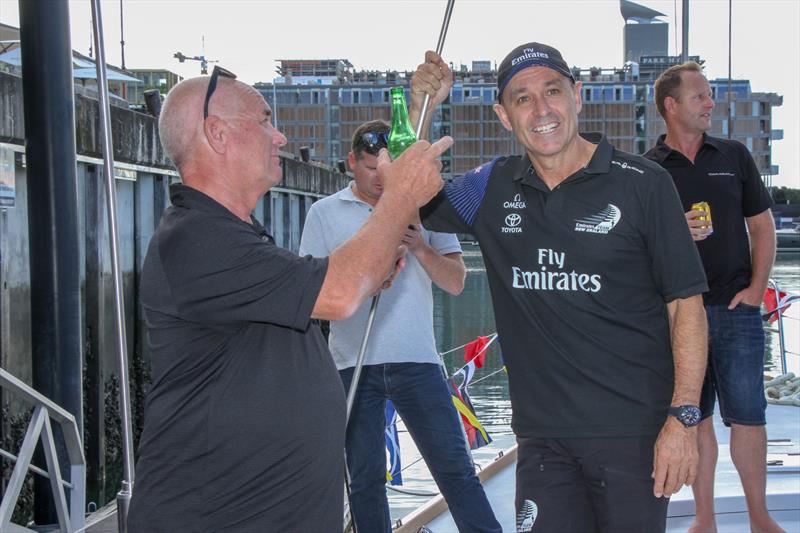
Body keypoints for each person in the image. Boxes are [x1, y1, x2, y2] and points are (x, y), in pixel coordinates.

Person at [127, 68, 453, 532]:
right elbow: (339, 291)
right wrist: (399, 196)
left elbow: (331, 286)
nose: (279, 137)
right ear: (217, 134)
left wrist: (371, 271)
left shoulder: (235, 237)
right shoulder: (196, 238)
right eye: (264, 120)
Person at [411, 43, 710, 532]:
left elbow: (686, 306)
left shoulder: (643, 183)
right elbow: (410, 196)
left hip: (633, 435)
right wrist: (423, 109)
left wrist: (683, 419)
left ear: (577, 96)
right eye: (522, 99)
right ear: (504, 117)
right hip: (542, 441)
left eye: (552, 91)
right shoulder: (491, 187)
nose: (542, 109)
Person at [299, 120, 501, 533]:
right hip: (351, 364)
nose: (380, 178)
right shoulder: (323, 213)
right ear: (352, 162)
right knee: (364, 478)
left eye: (387, 167)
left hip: (417, 360)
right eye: (371, 167)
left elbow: (457, 282)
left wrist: (421, 247)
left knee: (455, 470)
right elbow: (312, 297)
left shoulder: (425, 209)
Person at [645, 61, 781, 533]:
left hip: (735, 309)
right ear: (671, 105)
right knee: (696, 418)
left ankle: (760, 518)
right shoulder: (647, 170)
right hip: (680, 317)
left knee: (748, 418)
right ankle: (705, 520)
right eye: (700, 95)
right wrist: (673, 234)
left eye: (710, 95)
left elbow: (762, 228)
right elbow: (636, 250)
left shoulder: (735, 155)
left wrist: (757, 291)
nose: (711, 103)